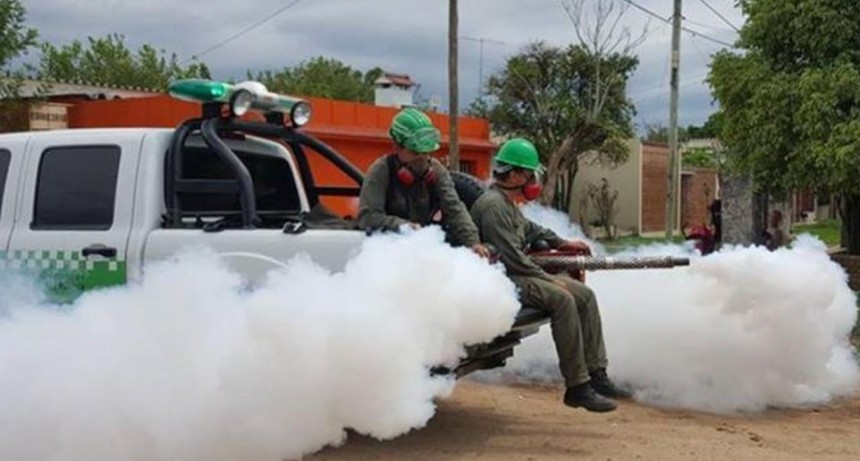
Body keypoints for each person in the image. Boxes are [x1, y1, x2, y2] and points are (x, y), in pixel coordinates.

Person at [470, 138, 630, 413]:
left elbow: (530, 229)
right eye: (529, 174)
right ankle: (577, 386)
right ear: (515, 175)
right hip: (503, 280)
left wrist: (561, 242)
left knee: (585, 296)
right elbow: (512, 259)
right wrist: (548, 279)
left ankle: (597, 374)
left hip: (518, 273)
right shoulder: (494, 205)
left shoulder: (506, 203)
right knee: (563, 299)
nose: (533, 181)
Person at [358, 107, 490, 258]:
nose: (423, 159)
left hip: (424, 251)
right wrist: (403, 226)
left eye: (427, 152)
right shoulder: (380, 171)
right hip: (389, 252)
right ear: (396, 147)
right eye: (415, 153)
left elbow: (454, 208)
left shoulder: (437, 170)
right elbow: (368, 217)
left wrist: (473, 242)